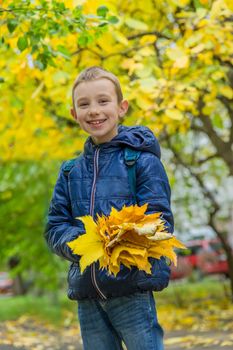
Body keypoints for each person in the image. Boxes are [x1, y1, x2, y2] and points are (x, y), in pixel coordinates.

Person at [44, 66, 174, 350]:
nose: (94, 111)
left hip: (131, 290)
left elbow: (160, 222)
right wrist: (84, 245)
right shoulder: (69, 172)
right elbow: (55, 226)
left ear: (121, 107)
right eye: (84, 104)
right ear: (74, 114)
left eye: (103, 101)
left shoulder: (141, 162)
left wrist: (118, 242)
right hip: (88, 293)